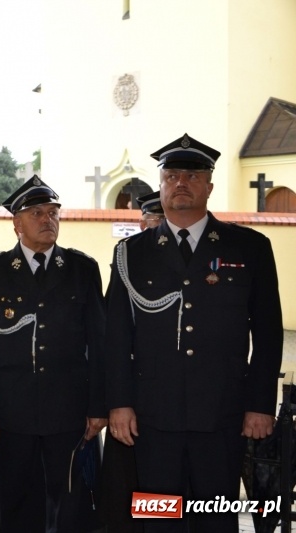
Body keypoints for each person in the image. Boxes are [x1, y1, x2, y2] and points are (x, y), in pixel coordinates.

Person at [106, 133, 283, 532]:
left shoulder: (249, 247)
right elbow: (116, 337)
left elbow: (269, 333)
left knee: (214, 517)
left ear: (209, 186)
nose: (180, 183)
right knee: (158, 516)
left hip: (222, 413)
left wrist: (260, 405)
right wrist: (119, 403)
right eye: (171, 176)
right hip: (152, 416)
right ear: (160, 184)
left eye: (191, 175)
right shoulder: (131, 253)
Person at [0, 175, 107, 532]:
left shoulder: (81, 269)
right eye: (37, 213)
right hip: (15, 413)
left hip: (70, 410)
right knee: (18, 504)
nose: (48, 220)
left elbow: (100, 342)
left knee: (73, 504)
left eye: (53, 213)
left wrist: (97, 406)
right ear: (16, 223)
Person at [99, 191, 165, 533]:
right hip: (133, 387)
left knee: (163, 484)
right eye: (150, 221)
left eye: (159, 220)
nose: (153, 226)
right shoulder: (128, 259)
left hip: (167, 392)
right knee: (126, 479)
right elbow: (113, 328)